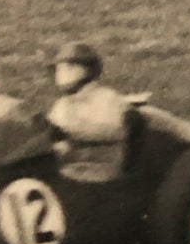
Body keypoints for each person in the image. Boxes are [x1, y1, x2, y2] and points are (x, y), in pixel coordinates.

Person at [47, 41, 132, 180]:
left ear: (86, 70)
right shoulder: (61, 105)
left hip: (98, 171)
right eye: (57, 69)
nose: (59, 74)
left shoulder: (106, 98)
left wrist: (67, 132)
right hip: (67, 170)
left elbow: (111, 131)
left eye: (67, 68)